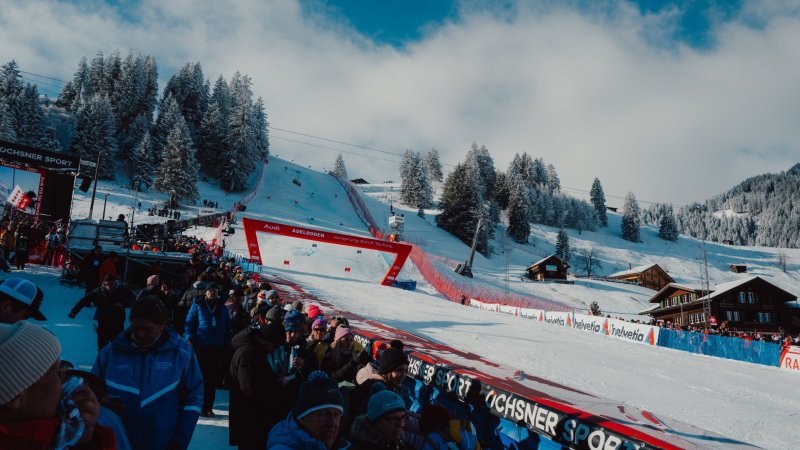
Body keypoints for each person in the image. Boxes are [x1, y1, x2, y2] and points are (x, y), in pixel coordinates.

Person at [92, 299, 203, 450]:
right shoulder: (110, 353)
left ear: (161, 325)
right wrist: (102, 403)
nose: (140, 334)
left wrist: (180, 441)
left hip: (162, 442)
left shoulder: (181, 353)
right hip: (116, 441)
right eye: (135, 328)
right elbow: (91, 393)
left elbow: (194, 397)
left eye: (147, 329)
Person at [0, 321, 116, 449]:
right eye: (57, 373)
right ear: (14, 397)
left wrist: (85, 441)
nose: (66, 381)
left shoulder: (50, 436)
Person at [229, 322, 286, 449]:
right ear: (267, 340)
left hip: (253, 419)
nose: (275, 349)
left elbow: (258, 380)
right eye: (275, 345)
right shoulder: (248, 353)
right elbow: (248, 388)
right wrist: (277, 385)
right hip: (250, 421)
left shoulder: (255, 351)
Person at [267, 371, 350, 450]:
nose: (332, 422)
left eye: (337, 414)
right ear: (302, 418)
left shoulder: (341, 445)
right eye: (324, 414)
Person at [184, 287, 232, 417]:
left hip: (217, 347)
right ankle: (198, 406)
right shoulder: (198, 305)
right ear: (205, 292)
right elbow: (189, 323)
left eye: (214, 291)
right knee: (200, 378)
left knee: (212, 379)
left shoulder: (222, 307)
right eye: (210, 291)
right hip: (201, 345)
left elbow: (227, 327)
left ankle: (208, 407)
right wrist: (189, 338)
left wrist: (227, 343)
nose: (212, 293)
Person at [267, 310, 318, 422]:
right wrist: (277, 380)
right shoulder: (273, 348)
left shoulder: (305, 351)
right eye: (289, 331)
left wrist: (304, 365)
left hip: (295, 401)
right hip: (274, 399)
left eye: (295, 331)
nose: (293, 335)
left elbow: (314, 374)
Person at [69, 274, 135, 350]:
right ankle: (102, 360)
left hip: (117, 323)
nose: (109, 286)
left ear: (115, 282)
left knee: (117, 345)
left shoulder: (122, 290)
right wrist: (74, 312)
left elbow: (134, 300)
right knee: (102, 346)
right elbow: (85, 300)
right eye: (107, 284)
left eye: (111, 284)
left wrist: (123, 304)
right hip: (103, 322)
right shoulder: (99, 291)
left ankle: (115, 360)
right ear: (104, 283)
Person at [349, 347, 409, 420]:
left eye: (406, 371)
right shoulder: (380, 392)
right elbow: (395, 418)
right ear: (388, 371)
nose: (404, 375)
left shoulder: (373, 382)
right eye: (399, 370)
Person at [349, 390, 414, 450]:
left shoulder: (399, 442)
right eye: (393, 419)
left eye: (402, 418)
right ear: (375, 421)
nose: (400, 425)